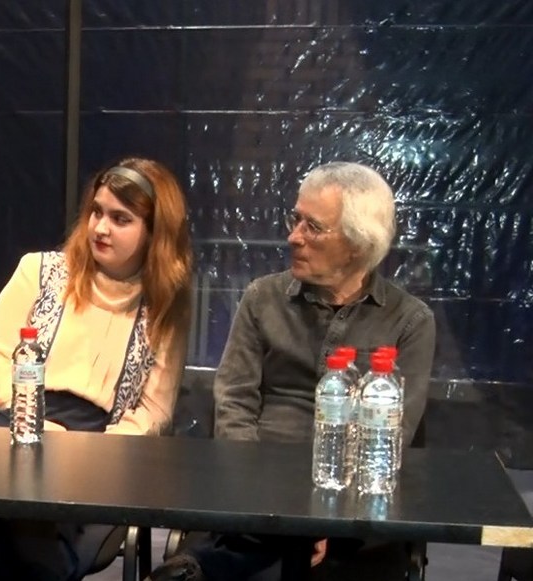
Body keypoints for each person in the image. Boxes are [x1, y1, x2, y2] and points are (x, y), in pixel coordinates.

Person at [149, 161, 437, 581]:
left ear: (358, 243)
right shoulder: (262, 298)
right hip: (256, 487)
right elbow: (234, 404)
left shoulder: (409, 321)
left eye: (313, 227)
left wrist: (325, 519)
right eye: (295, 219)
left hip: (351, 507)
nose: (293, 236)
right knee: (247, 532)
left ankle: (213, 561)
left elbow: (393, 437)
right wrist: (267, 501)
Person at [0, 157, 192, 580]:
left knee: (3, 515)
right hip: (10, 418)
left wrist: (84, 452)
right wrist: (36, 425)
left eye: (120, 219)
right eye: (96, 212)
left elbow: (152, 412)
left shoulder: (165, 305)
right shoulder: (38, 271)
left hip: (95, 444)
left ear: (154, 233)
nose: (100, 228)